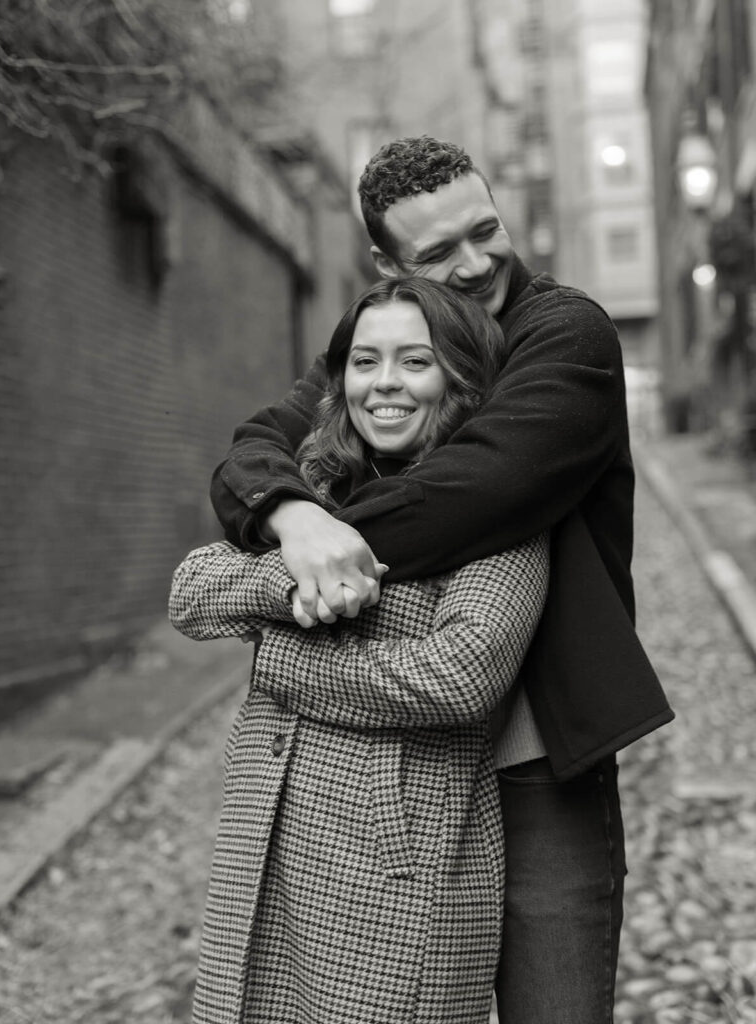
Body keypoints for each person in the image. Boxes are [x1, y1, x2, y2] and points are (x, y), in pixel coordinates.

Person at [208, 136, 674, 1022]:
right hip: (399, 763)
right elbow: (252, 450)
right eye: (436, 254)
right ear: (387, 261)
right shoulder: (394, 336)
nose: (475, 263)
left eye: (484, 229)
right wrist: (291, 517)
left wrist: (290, 563)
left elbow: (472, 497)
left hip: (537, 760)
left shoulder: (565, 333)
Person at [170, 277, 550, 1024]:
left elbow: (459, 676)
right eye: (365, 361)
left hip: (397, 866)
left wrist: (282, 659)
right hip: (268, 836)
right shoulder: (314, 485)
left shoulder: (501, 510)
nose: (384, 385)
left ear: (462, 374)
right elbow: (191, 589)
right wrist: (298, 571)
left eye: (415, 362)